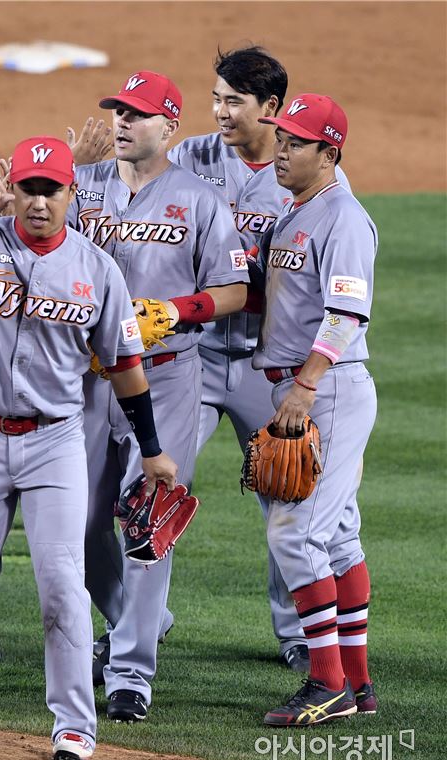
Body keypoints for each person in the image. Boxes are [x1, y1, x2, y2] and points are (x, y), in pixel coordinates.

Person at [0, 138, 178, 760]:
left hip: (55, 442)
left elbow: (125, 365)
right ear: (13, 190)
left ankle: (73, 720)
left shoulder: (98, 270)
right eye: (29, 189)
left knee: (62, 585)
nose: (39, 202)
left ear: (71, 193)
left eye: (52, 190)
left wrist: (152, 448)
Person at [68, 71, 248, 721]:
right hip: (88, 379)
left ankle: (130, 675)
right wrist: (67, 180)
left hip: (168, 375)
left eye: (137, 114)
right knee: (81, 524)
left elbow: (235, 290)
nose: (121, 121)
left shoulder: (200, 200)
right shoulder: (81, 186)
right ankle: (131, 622)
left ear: (169, 127)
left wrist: (174, 310)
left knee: (148, 521)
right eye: (117, 110)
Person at [169, 46, 351, 674]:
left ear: (271, 108)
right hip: (194, 355)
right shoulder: (191, 158)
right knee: (157, 488)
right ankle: (137, 625)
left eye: (234, 101)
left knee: (286, 494)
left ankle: (300, 634)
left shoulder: (310, 182)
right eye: (215, 99)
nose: (220, 112)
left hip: (265, 366)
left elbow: (328, 285)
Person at [251, 94, 377, 725]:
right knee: (340, 537)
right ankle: (357, 683)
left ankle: (326, 684)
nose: (281, 151)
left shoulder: (343, 218)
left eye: (296, 143)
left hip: (324, 389)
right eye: (280, 138)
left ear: (329, 153)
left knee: (295, 534)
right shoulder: (296, 211)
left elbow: (346, 313)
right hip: (305, 388)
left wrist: (304, 388)